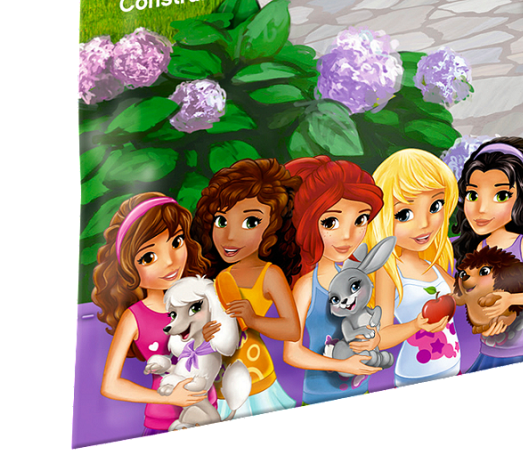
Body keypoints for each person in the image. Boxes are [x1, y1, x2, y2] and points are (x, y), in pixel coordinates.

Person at [92, 193, 214, 433]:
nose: (169, 261)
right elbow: (110, 385)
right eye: (149, 257)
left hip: (210, 412)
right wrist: (169, 398)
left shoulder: (200, 296)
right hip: (162, 423)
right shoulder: (134, 317)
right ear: (128, 267)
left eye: (176, 242)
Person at [448, 138, 523, 370]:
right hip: (490, 348)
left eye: (501, 196)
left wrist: (511, 300)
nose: (481, 209)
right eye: (473, 195)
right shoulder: (480, 247)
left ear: (522, 199)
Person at [195, 158, 305, 415]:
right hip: (219, 383)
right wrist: (205, 333)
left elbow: (292, 330)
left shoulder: (270, 274)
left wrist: (253, 319)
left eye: (250, 222)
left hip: (258, 381)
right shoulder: (219, 278)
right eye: (221, 221)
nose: (230, 236)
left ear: (274, 228)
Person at [282, 156, 387, 403]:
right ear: (309, 223)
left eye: (360, 220)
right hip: (319, 396)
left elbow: (368, 323)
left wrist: (373, 338)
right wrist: (342, 365)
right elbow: (292, 353)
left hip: (365, 388)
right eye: (331, 222)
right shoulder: (307, 286)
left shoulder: (357, 275)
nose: (348, 235)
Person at [364, 148, 462, 384]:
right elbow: (380, 338)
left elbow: (463, 295)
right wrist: (416, 325)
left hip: (455, 365)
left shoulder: (432, 265)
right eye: (405, 214)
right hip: (416, 376)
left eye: (435, 206)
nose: (424, 223)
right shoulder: (389, 270)